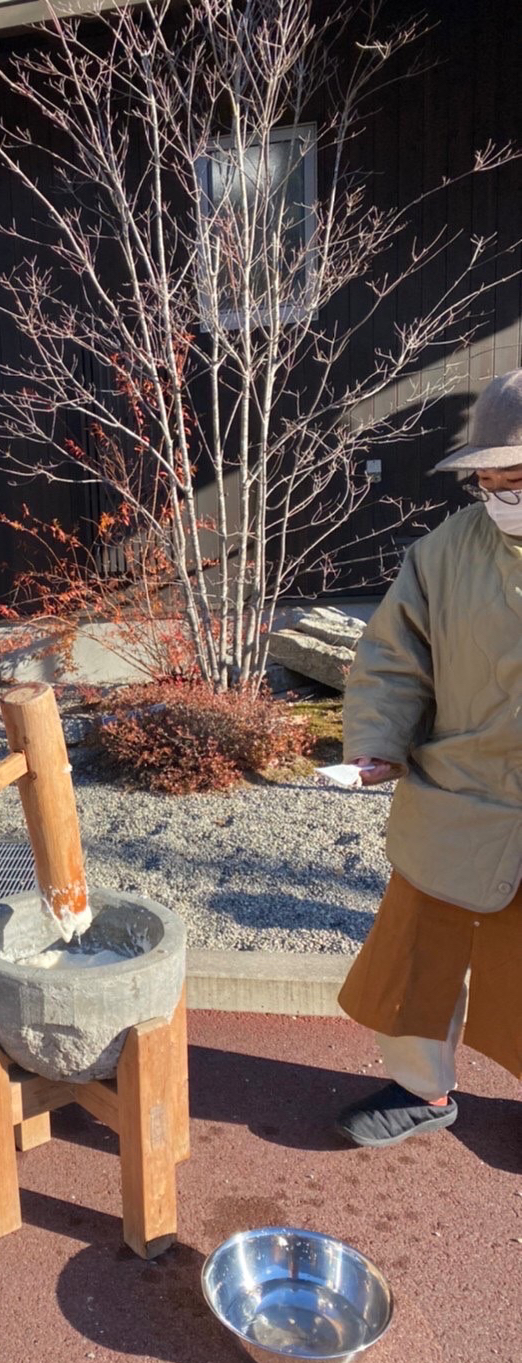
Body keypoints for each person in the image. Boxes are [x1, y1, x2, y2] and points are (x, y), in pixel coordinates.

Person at [335, 369, 522, 1147]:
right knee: (417, 956)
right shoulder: (446, 552)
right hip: (459, 787)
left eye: (514, 476)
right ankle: (423, 1090)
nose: (498, 490)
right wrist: (377, 742)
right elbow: (393, 658)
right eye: (488, 478)